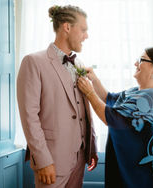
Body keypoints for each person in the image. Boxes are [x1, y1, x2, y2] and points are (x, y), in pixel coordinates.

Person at [17, 5, 98, 188]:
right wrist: (43, 160)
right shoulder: (33, 62)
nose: (86, 36)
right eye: (83, 30)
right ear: (67, 27)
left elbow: (84, 110)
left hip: (80, 158)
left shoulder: (79, 63)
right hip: (51, 159)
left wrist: (91, 146)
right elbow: (29, 117)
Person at [77, 47, 153, 188]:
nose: (135, 64)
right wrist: (94, 79)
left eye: (141, 60)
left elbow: (111, 117)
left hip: (139, 178)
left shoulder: (152, 98)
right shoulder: (136, 92)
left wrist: (89, 93)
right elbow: (109, 99)